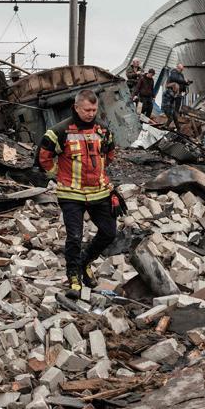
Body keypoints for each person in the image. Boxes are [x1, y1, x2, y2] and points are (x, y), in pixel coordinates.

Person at [37, 90, 120, 298]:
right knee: (74, 236)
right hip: (71, 194)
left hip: (99, 191)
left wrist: (99, 175)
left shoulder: (104, 130)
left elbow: (109, 155)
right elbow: (43, 158)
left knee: (109, 233)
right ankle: (73, 276)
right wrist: (58, 175)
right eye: (87, 110)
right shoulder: (59, 131)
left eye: (94, 109)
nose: (91, 113)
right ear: (76, 108)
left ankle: (84, 262)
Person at [165, 63, 190, 128]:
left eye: (182, 70)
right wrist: (184, 81)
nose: (181, 71)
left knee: (176, 110)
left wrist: (186, 85)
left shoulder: (181, 74)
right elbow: (176, 79)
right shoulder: (173, 72)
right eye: (181, 69)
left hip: (178, 94)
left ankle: (175, 126)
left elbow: (182, 82)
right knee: (172, 110)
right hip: (172, 94)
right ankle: (170, 124)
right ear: (177, 68)